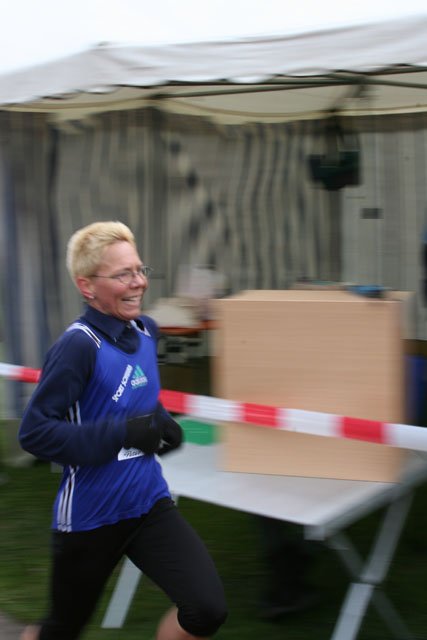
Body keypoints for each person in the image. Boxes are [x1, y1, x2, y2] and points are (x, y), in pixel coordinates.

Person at [18, 221, 228, 640]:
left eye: (139, 270)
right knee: (61, 630)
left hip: (147, 503)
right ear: (87, 286)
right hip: (90, 517)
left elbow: (135, 393)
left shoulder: (146, 331)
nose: (138, 283)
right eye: (122, 275)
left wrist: (161, 420)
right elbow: (35, 433)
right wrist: (124, 434)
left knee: (206, 611)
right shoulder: (79, 346)